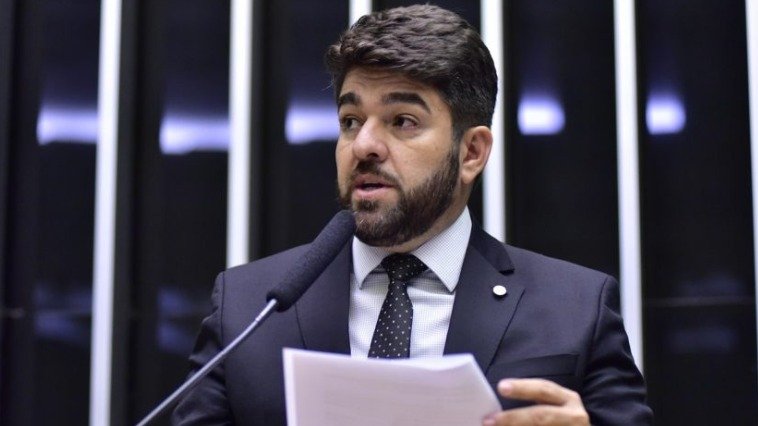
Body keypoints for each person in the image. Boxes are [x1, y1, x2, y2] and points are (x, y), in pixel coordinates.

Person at [173, 4, 652, 425]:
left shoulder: (575, 308)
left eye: (402, 121)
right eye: (351, 121)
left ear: (471, 152)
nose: (363, 145)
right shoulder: (248, 308)